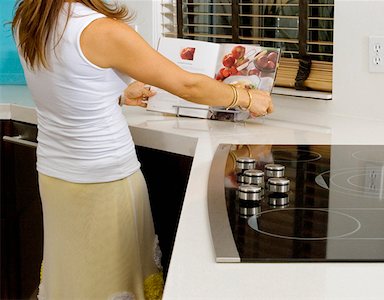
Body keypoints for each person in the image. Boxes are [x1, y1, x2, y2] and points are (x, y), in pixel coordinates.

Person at [11, 0, 273, 299]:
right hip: (105, 180)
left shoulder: (31, 17)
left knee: (75, 277)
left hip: (55, 175)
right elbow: (188, 85)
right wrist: (245, 98)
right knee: (115, 281)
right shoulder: (102, 30)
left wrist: (116, 94)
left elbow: (64, 82)